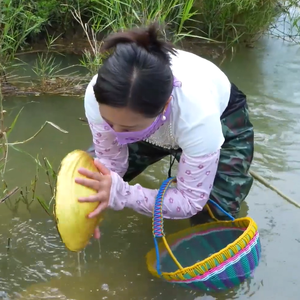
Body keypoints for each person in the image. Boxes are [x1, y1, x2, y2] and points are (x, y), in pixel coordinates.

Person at [75, 23, 254, 239]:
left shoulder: (198, 118)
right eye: (109, 123)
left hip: (222, 119)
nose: (118, 134)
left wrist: (125, 195)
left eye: (127, 128)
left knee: (215, 214)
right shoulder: (97, 97)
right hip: (148, 122)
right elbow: (110, 162)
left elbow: (190, 200)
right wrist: (97, 201)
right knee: (90, 179)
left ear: (166, 104)